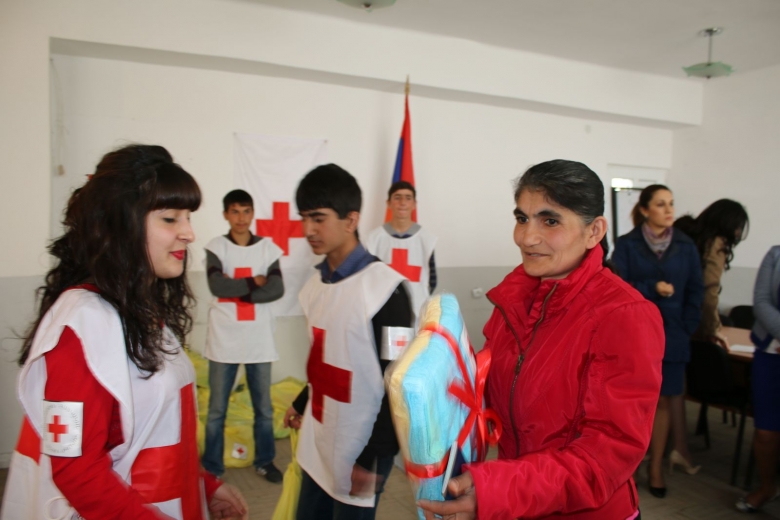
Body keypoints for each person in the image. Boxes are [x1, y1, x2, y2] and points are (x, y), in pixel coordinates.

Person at [0, 144, 247, 520]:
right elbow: (77, 472)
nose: (189, 233)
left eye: (188, 218)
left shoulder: (139, 310)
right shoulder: (83, 323)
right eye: (170, 219)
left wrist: (206, 484)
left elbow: (156, 432)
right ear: (121, 224)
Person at [419, 159, 664, 520]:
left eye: (550, 221)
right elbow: (485, 396)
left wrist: (500, 490)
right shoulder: (513, 301)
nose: (526, 237)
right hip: (521, 505)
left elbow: (605, 457)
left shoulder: (623, 315)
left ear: (594, 231)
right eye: (521, 218)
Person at [282, 164, 414, 520]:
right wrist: (302, 401)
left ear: (351, 219)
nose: (308, 230)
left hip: (365, 444)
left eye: (319, 218)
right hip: (319, 434)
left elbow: (398, 380)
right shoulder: (313, 288)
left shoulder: (387, 291)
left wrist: (373, 456)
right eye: (304, 218)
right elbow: (330, 359)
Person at [612, 184, 704, 499]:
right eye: (661, 204)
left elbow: (696, 290)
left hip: (674, 333)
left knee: (664, 401)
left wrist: (688, 325)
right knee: (633, 402)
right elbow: (616, 284)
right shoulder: (626, 244)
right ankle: (630, 465)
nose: (668, 210)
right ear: (646, 209)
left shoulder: (686, 245)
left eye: (671, 204)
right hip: (635, 331)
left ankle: (656, 468)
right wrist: (652, 287)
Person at [201, 189, 285, 483]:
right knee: (216, 410)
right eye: (234, 211)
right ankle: (211, 467)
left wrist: (237, 288)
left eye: (246, 211)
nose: (241, 218)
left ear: (252, 214)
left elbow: (276, 289)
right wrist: (253, 281)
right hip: (224, 338)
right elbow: (216, 287)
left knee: (263, 409)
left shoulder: (267, 249)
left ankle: (265, 461)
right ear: (226, 214)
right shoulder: (216, 248)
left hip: (258, 339)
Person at [736, 245, 780, 513]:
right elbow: (761, 301)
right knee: (765, 433)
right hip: (771, 356)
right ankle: (767, 487)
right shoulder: (775, 255)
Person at [674, 199, 749, 349]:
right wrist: (713, 329)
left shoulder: (683, 233)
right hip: (691, 325)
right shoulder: (715, 244)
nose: (738, 233)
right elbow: (709, 291)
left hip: (670, 317)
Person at [366, 181, 437, 317]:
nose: (403, 202)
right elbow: (368, 279)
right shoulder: (373, 239)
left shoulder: (426, 239)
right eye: (397, 197)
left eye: (408, 198)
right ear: (389, 203)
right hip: (383, 311)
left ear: (414, 204)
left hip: (418, 311)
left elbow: (432, 280)